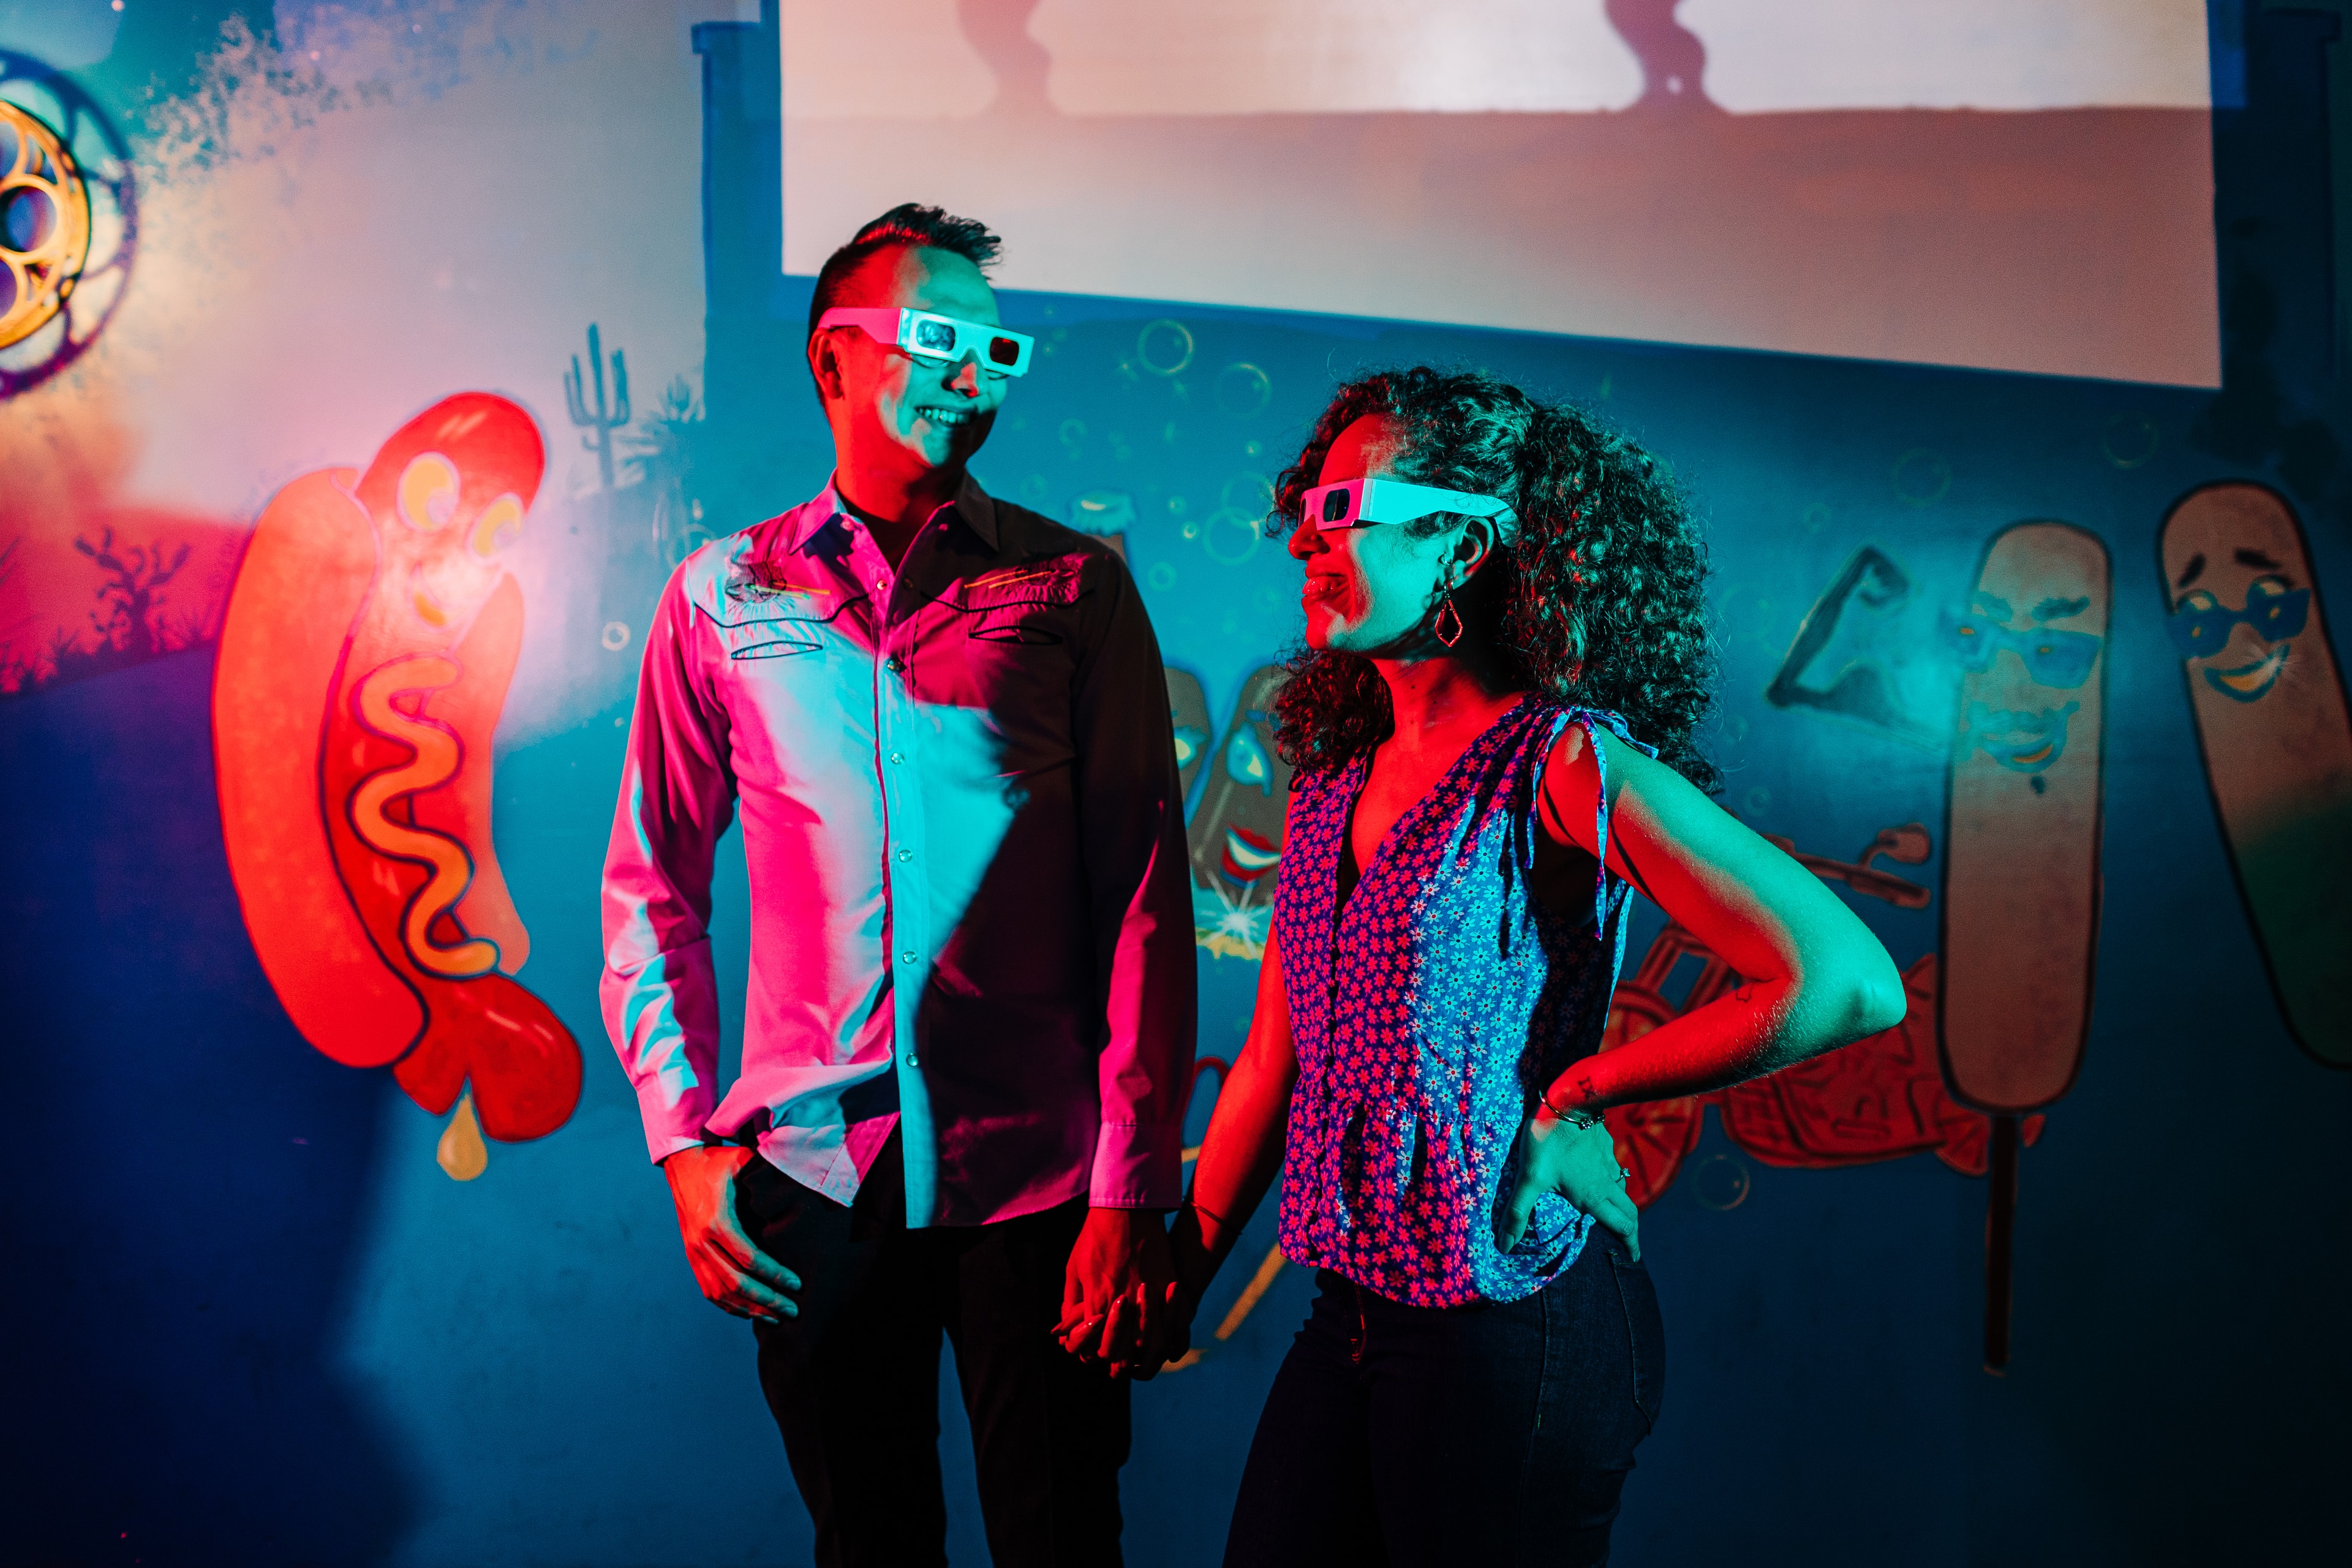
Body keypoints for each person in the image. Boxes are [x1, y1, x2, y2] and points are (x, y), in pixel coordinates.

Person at [1152, 367, 1908, 1566]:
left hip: (1512, 1317)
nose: (1304, 530)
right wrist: (1180, 1261)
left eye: (1342, 505)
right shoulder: (1330, 778)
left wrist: (1583, 1095)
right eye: (1308, 502)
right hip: (1351, 1309)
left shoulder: (1555, 765)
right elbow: (1272, 1056)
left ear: (1462, 541)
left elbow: (1845, 977)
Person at [600, 203, 1194, 1567]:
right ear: (833, 360)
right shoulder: (719, 597)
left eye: (998, 351)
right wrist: (687, 1145)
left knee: (1065, 1542)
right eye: (938, 339)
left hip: (1043, 1186)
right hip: (809, 1173)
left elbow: (1147, 899)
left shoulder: (1074, 588)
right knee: (868, 1543)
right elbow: (653, 888)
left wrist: (1131, 1188)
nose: (972, 375)